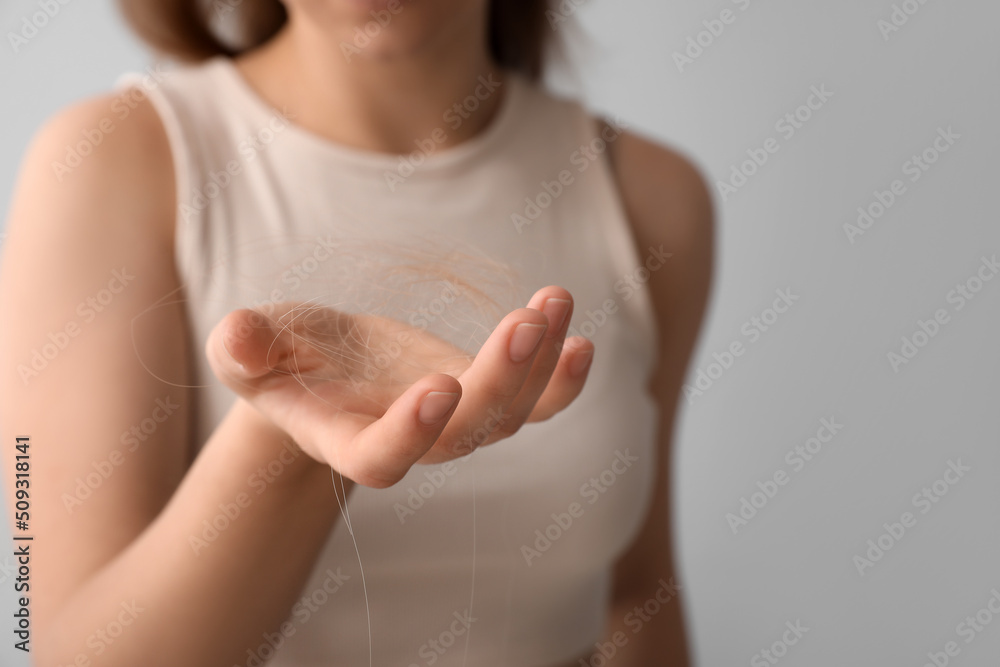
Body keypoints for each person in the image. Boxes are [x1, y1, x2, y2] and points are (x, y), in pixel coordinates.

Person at [0, 1, 713, 665]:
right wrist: (292, 444)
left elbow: (635, 593)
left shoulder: (650, 197)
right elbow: (62, 648)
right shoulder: (108, 161)